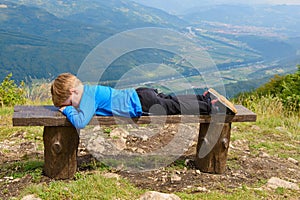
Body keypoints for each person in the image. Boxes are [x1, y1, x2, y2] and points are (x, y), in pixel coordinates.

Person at [51, 73, 236, 129]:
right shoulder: (90, 89)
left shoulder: (87, 98)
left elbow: (81, 122)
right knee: (171, 100)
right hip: (140, 94)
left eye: (69, 102)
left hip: (141, 104)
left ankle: (211, 107)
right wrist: (69, 106)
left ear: (73, 91)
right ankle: (203, 98)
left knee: (175, 107)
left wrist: (66, 111)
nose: (72, 106)